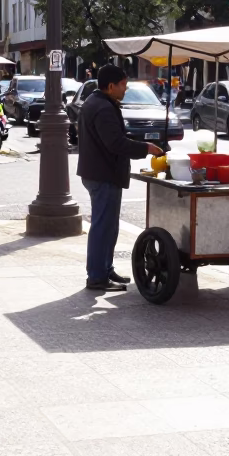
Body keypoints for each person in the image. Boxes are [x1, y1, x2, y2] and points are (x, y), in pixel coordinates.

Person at [76, 65, 162, 292]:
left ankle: (105, 269)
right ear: (111, 86)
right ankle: (97, 277)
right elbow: (115, 143)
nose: (125, 89)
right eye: (123, 84)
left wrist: (140, 142)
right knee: (103, 227)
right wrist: (146, 148)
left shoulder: (96, 102)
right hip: (103, 173)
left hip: (99, 172)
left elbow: (114, 136)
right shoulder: (102, 107)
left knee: (108, 226)